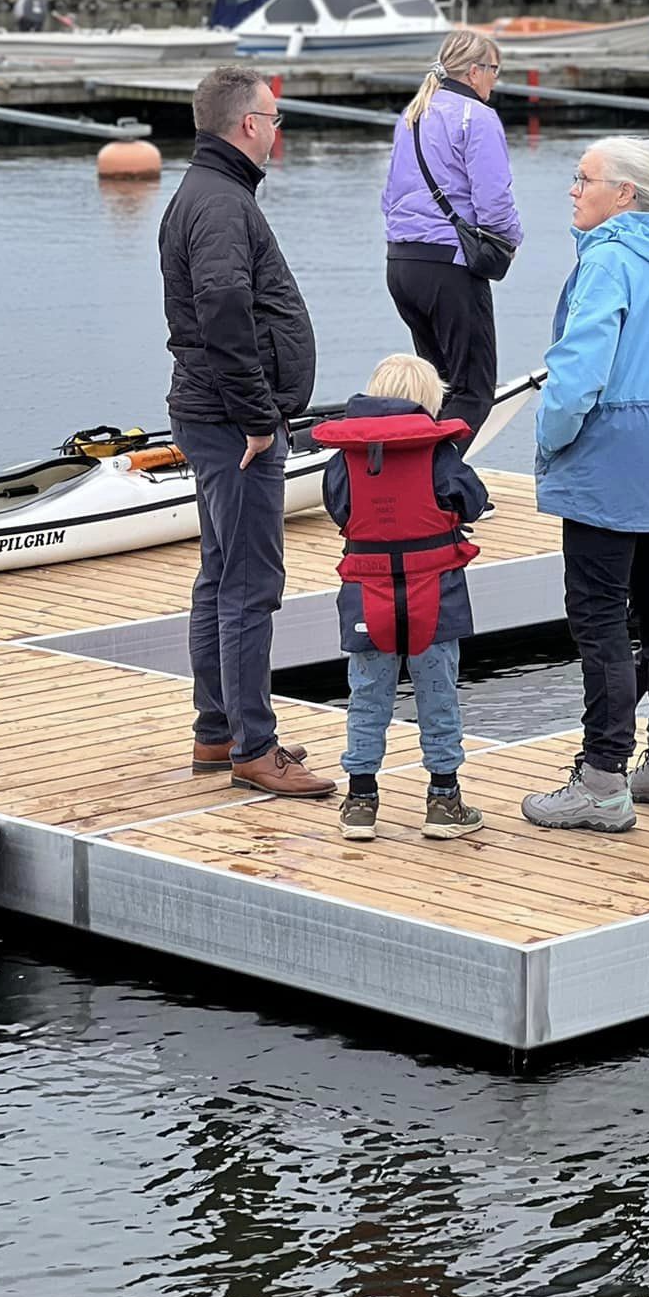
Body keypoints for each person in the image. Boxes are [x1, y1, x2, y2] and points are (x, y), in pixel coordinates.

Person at [158, 64, 336, 798]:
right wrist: (260, 417)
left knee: (221, 576)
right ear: (247, 125)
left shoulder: (206, 193)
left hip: (214, 414)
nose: (277, 130)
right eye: (274, 118)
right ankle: (254, 750)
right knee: (249, 586)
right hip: (235, 423)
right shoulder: (222, 203)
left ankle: (219, 730)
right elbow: (223, 306)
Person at [521, 137, 649, 834]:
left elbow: (578, 374)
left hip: (607, 451)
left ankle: (602, 777)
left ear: (623, 193)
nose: (573, 189)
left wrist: (548, 435)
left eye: (585, 178)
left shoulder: (608, 259)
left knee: (599, 619)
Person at [314, 353, 489, 842]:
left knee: (368, 699)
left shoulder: (344, 459)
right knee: (439, 699)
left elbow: (339, 509)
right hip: (435, 598)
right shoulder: (441, 454)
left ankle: (361, 802)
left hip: (367, 597)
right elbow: (472, 500)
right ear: (429, 402)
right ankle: (443, 800)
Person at [381, 28, 523, 446]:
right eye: (494, 70)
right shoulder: (476, 117)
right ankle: (438, 485)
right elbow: (494, 201)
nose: (496, 81)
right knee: (474, 390)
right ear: (475, 71)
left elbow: (389, 196)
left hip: (402, 263)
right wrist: (510, 241)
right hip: (449, 266)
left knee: (436, 387)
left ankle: (424, 484)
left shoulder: (412, 114)